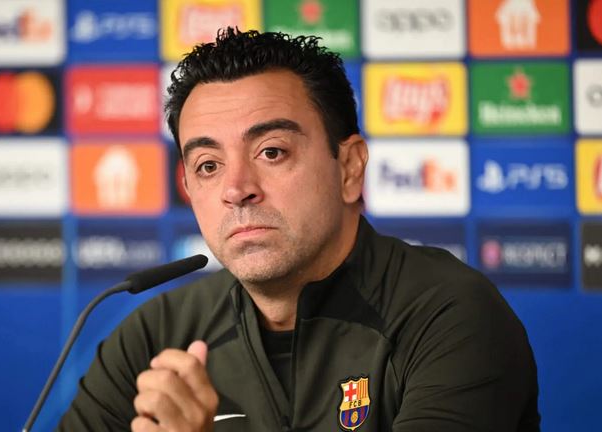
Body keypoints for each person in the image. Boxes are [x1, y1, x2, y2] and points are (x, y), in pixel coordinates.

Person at [59, 28, 540, 431]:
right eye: (208, 165)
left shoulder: (450, 315)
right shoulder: (155, 337)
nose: (237, 189)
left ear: (349, 168)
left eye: (271, 152)